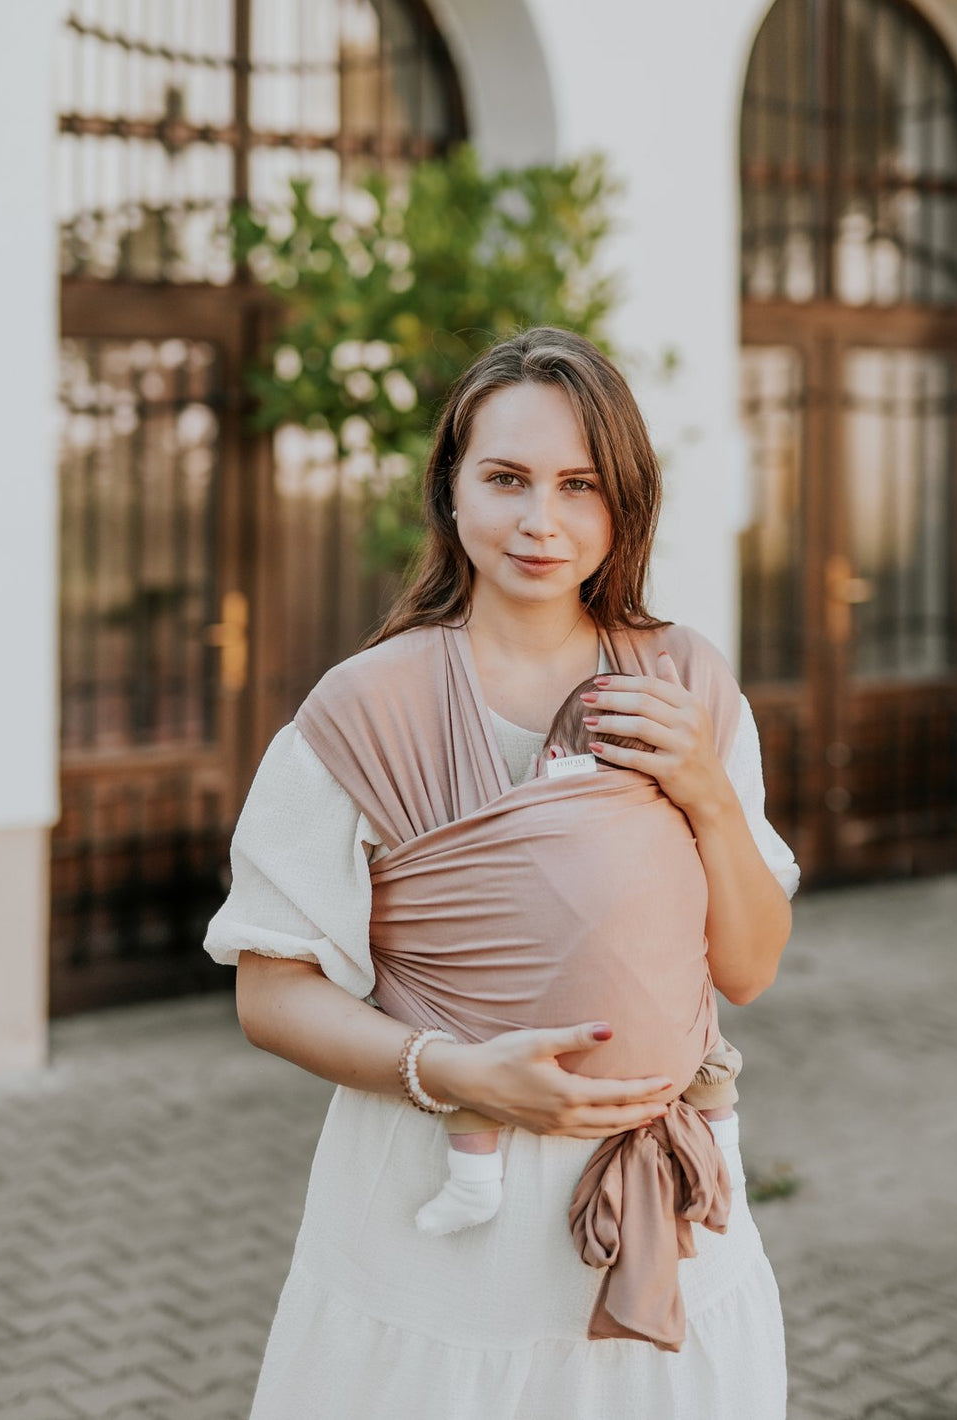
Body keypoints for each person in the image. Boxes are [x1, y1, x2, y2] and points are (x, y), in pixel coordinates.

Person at [204, 326, 798, 1418]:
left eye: (580, 485)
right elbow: (271, 993)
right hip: (435, 1219)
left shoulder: (687, 684)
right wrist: (456, 1074)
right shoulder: (359, 712)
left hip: (662, 1207)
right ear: (451, 492)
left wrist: (707, 790)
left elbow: (750, 969)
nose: (542, 521)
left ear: (626, 501)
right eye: (508, 479)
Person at [412, 672, 743, 1241]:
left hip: (540, 1037)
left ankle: (474, 1178)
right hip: (672, 1050)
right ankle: (724, 1149)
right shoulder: (673, 819)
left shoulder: (524, 812)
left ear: (554, 755)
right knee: (713, 1045)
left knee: (467, 1035)